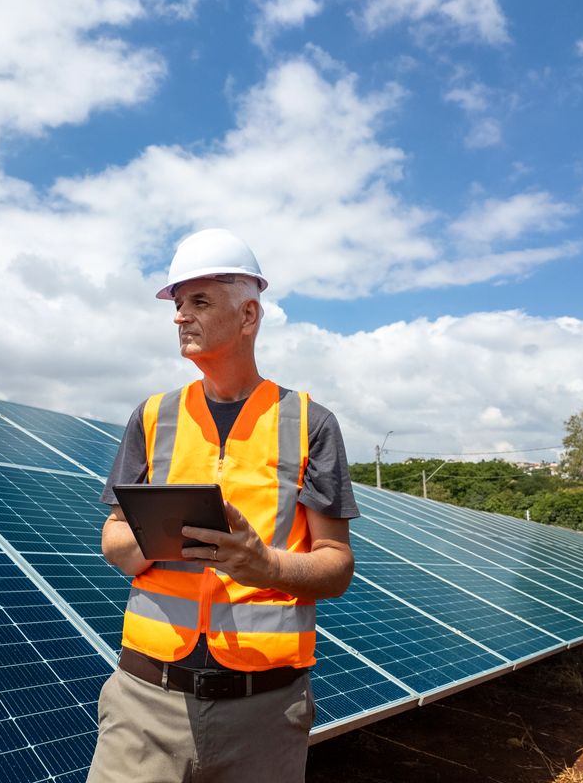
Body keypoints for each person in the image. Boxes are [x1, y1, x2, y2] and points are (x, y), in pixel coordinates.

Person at [87, 228, 358, 783]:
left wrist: (266, 565)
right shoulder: (152, 416)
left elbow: (335, 565)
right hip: (145, 701)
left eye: (199, 302)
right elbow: (112, 539)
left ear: (249, 315)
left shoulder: (312, 425)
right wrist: (153, 537)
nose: (180, 316)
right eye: (179, 303)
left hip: (264, 710)